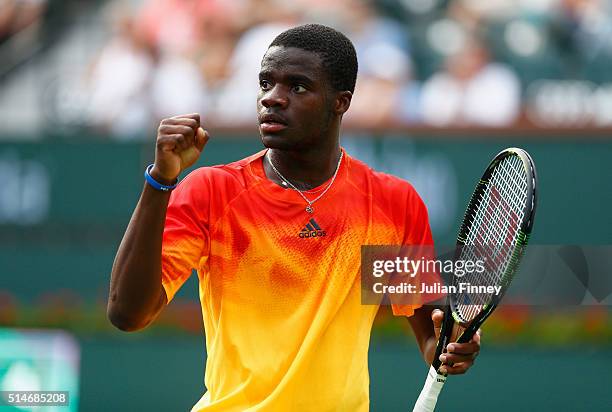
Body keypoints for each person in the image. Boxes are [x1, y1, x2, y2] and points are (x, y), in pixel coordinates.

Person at [107, 23, 480, 411]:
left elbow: (430, 336)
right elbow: (128, 313)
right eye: (266, 83)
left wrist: (453, 347)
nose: (272, 98)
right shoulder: (211, 191)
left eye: (296, 87)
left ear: (341, 101)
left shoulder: (390, 203)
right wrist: (160, 181)